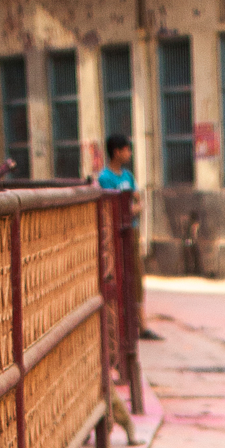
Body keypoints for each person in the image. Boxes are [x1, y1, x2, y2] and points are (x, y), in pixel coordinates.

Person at [97, 132, 157, 336]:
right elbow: (112, 207)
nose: (129, 153)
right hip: (115, 235)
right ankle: (122, 326)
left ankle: (141, 324)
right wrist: (129, 207)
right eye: (127, 150)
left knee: (137, 276)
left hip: (131, 230)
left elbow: (138, 201)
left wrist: (131, 208)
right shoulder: (105, 178)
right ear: (117, 152)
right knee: (118, 277)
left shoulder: (128, 176)